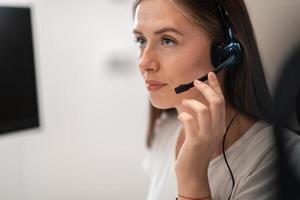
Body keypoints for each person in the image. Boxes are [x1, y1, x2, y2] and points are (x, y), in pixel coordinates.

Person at [131, 0, 284, 199]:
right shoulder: (165, 133)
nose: (144, 62)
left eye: (167, 40)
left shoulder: (276, 161)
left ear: (225, 51)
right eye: (141, 40)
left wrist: (192, 178)